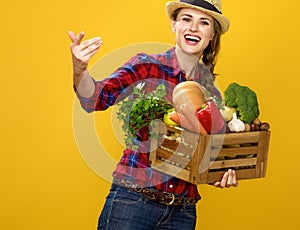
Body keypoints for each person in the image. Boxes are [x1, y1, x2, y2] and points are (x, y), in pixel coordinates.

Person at [69, 0, 238, 229]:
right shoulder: (147, 66)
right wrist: (80, 70)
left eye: (204, 23)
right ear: (174, 25)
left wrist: (221, 173)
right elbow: (94, 99)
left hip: (183, 211)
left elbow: (206, 153)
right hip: (133, 201)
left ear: (212, 35)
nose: (193, 28)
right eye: (186, 19)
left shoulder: (210, 91)